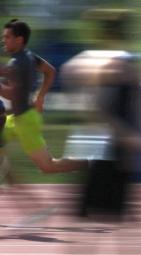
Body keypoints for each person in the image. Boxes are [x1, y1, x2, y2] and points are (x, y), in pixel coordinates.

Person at [0, 19, 88, 174]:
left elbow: (12, 94)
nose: (3, 40)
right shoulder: (29, 56)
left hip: (26, 123)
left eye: (7, 37)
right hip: (19, 118)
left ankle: (90, 163)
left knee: (48, 166)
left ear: (19, 40)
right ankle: (9, 180)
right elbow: (50, 71)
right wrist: (40, 97)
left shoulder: (16, 63)